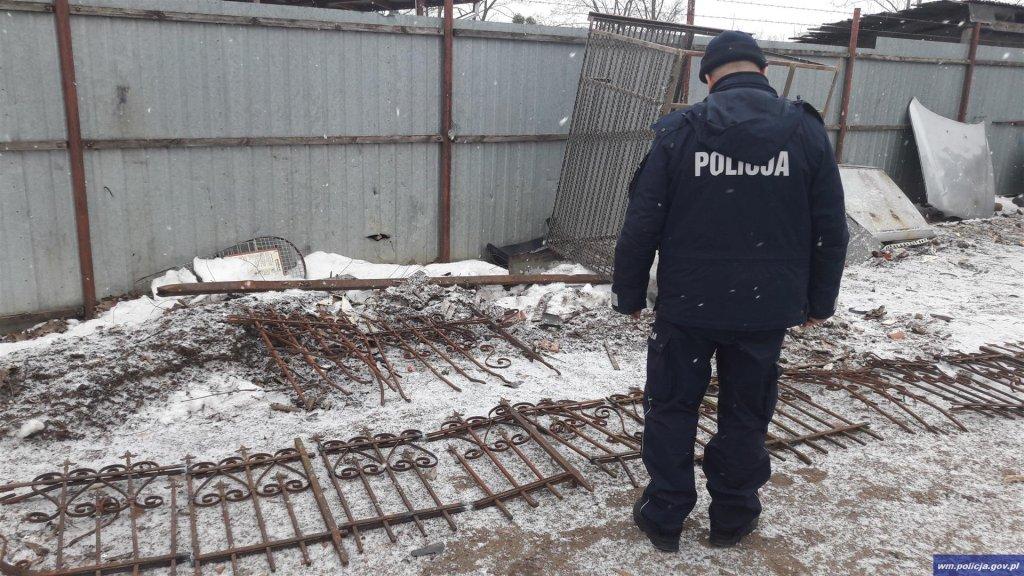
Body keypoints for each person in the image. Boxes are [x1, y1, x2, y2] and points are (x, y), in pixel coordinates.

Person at [611, 30, 849, 551]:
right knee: (746, 412)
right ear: (763, 70)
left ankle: (665, 515)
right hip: (765, 308)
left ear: (707, 77)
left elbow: (641, 222)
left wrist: (628, 294)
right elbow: (831, 226)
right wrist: (820, 302)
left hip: (688, 307)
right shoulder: (804, 131)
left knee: (672, 408)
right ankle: (733, 517)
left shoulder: (680, 130)